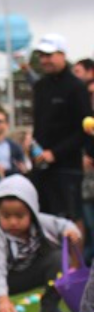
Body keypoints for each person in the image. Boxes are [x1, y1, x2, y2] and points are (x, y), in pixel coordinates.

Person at [0, 175, 79, 312]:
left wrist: (71, 232)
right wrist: (2, 299)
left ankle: (49, 308)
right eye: (6, 216)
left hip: (33, 272)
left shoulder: (42, 222)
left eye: (19, 216)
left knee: (58, 258)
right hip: (7, 279)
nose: (13, 222)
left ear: (31, 212)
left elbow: (63, 225)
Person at [30, 34, 94, 222]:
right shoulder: (40, 86)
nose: (44, 60)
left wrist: (55, 153)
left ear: (62, 54)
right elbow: (40, 124)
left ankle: (75, 254)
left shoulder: (76, 87)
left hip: (67, 168)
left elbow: (84, 130)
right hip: (41, 166)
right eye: (41, 55)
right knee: (44, 219)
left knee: (71, 220)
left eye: (49, 55)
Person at [0, 110, 29, 190]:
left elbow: (22, 170)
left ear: (6, 125)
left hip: (7, 190)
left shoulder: (14, 147)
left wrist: (4, 171)